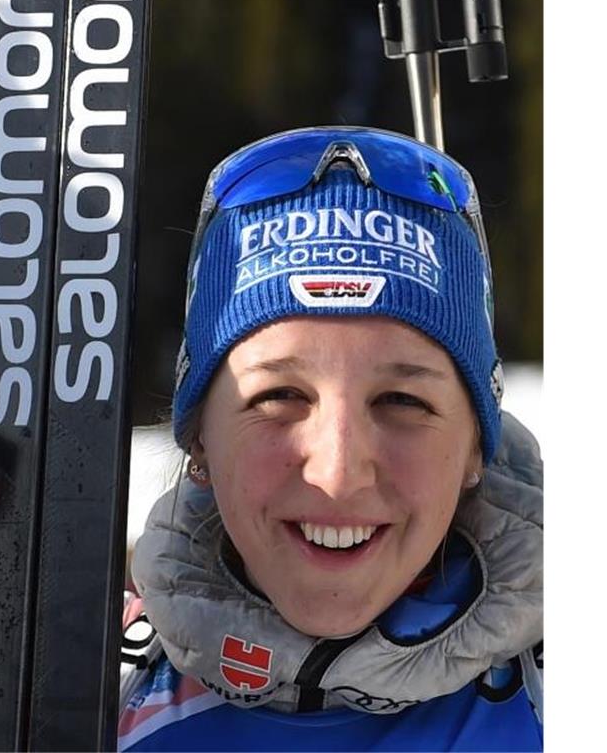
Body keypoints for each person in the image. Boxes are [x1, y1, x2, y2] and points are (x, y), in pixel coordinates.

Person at [117, 127, 542, 751]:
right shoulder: (91, 691)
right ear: (199, 439)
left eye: (403, 401)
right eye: (278, 398)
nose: (339, 473)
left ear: (478, 444)